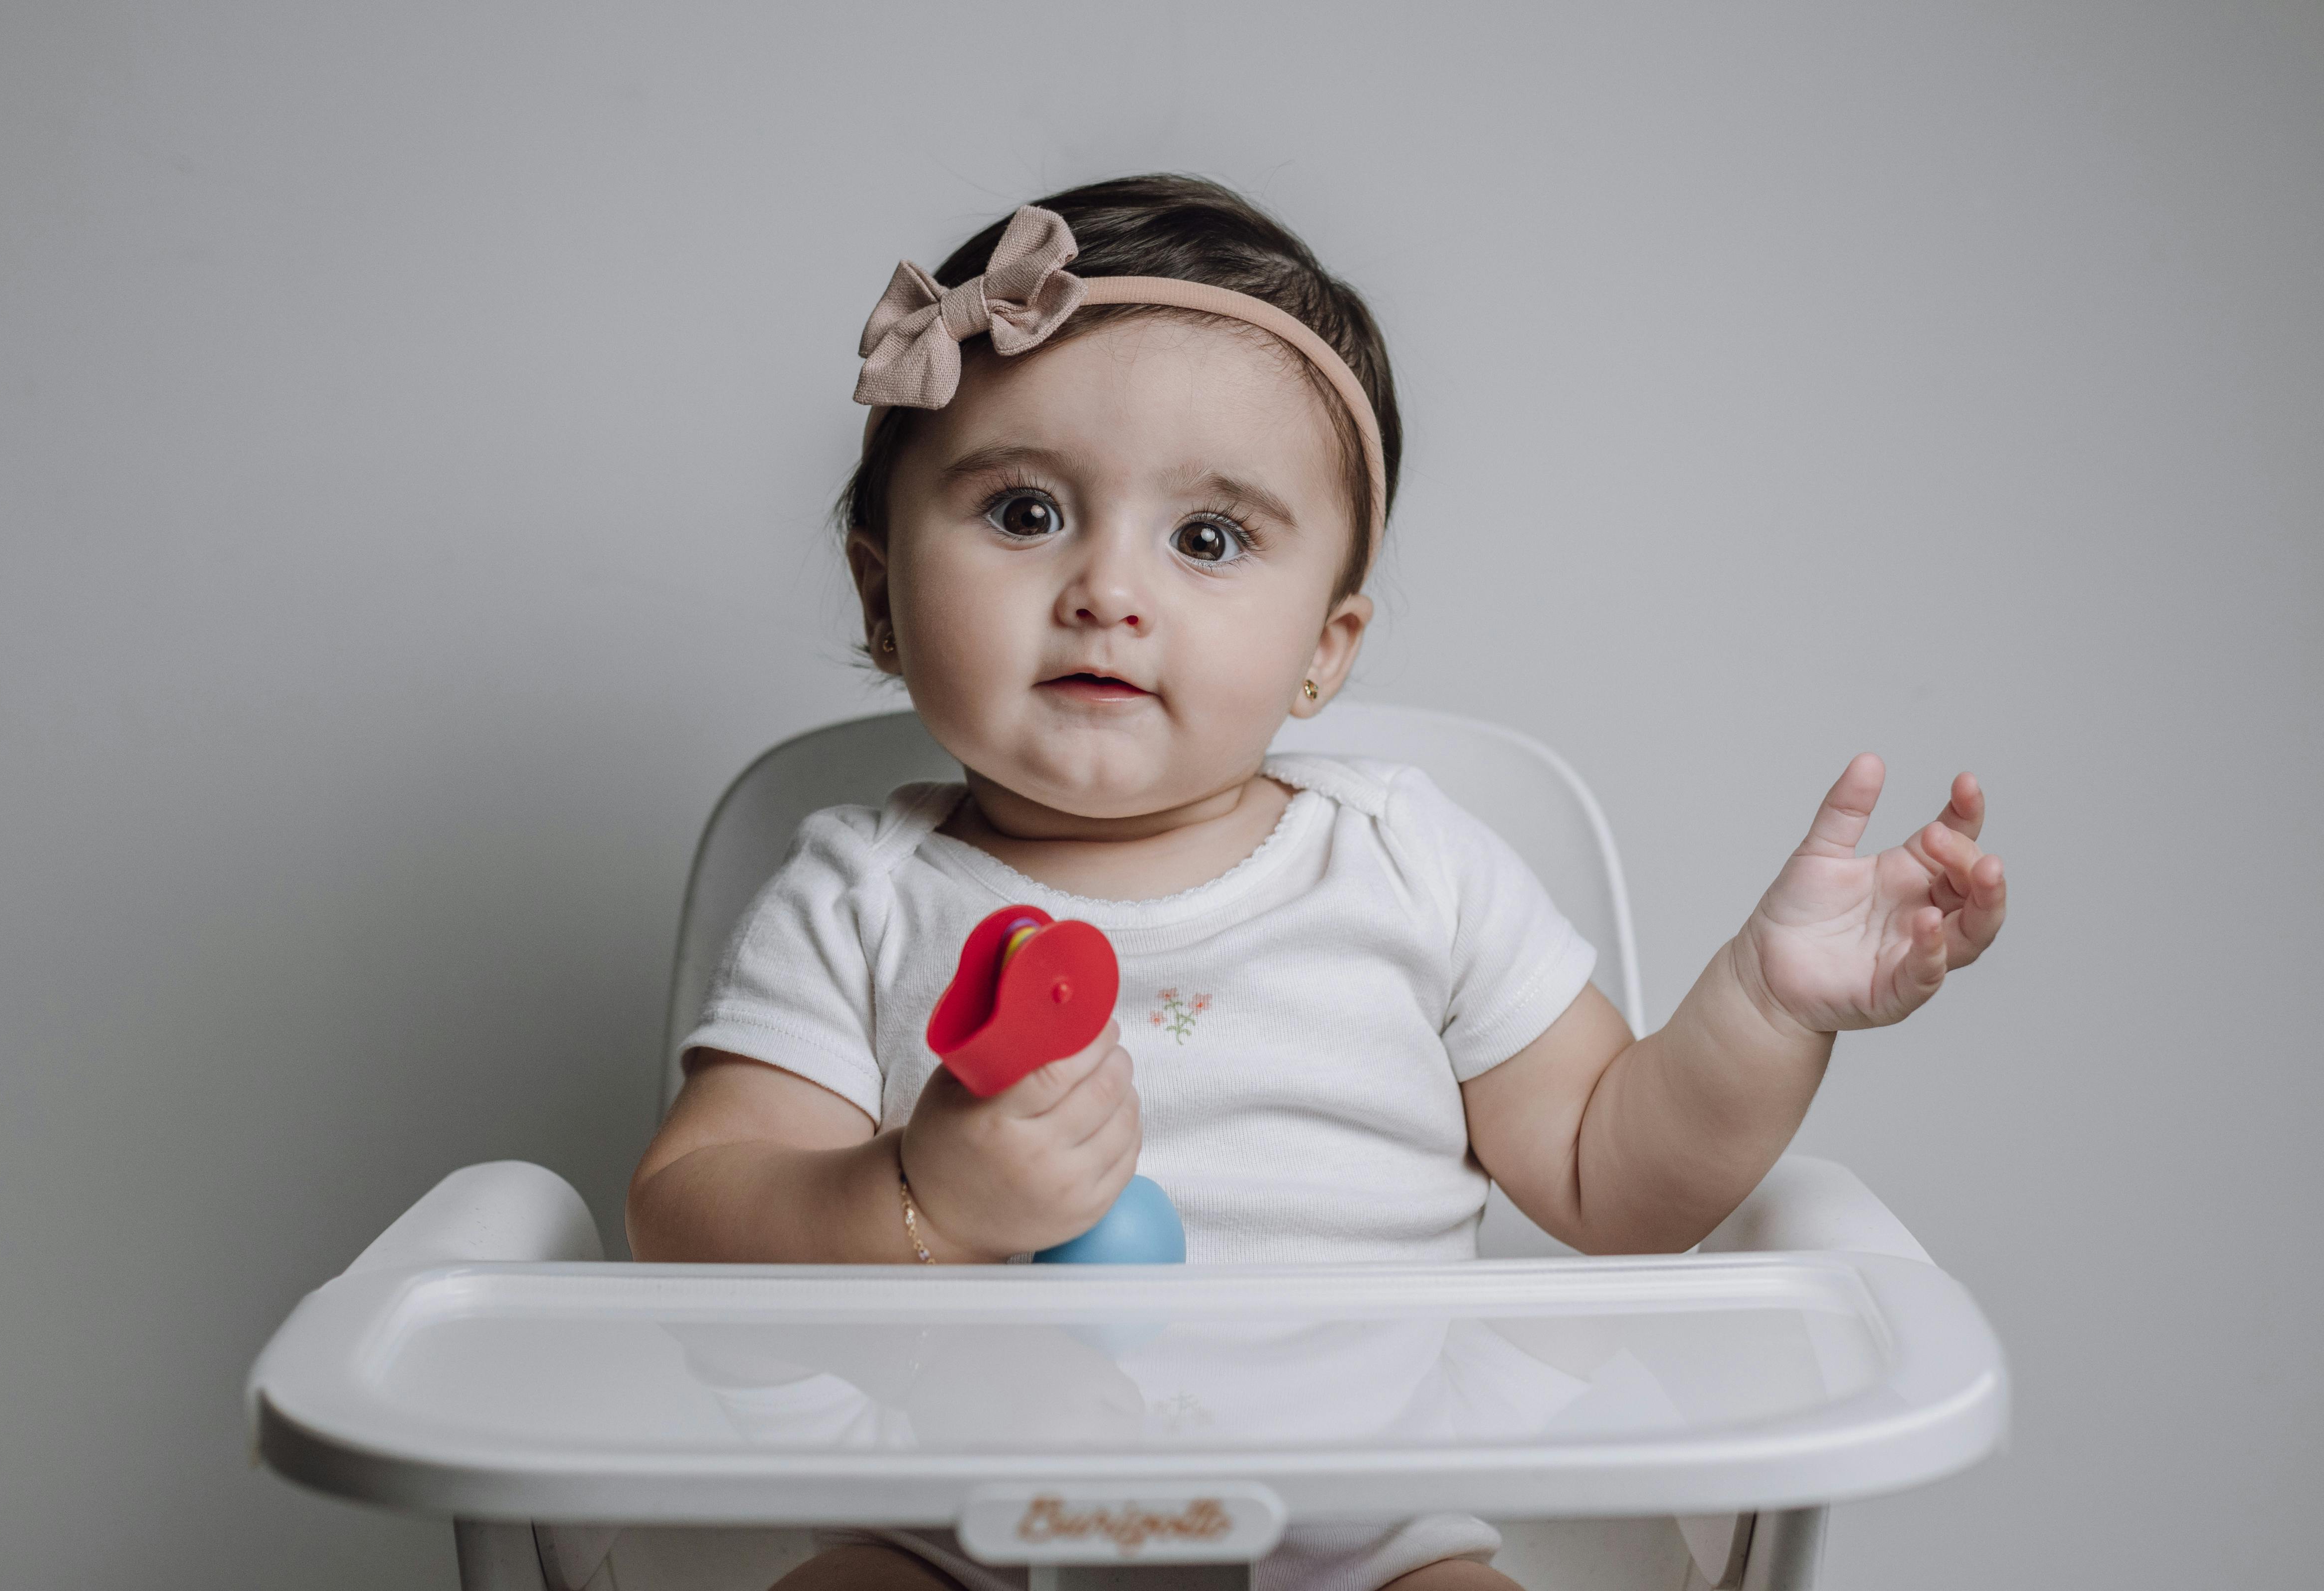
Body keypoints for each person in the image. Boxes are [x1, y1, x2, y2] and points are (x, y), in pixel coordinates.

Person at [626, 175, 2008, 1591]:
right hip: (946, 1531)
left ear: (1326, 648)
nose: (1110, 587)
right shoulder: (860, 893)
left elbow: (1615, 1177)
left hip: (1367, 1541)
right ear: (879, 596)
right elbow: (689, 1220)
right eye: (1027, 510)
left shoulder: (1412, 867)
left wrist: (1773, 1009)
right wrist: (919, 1199)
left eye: (1208, 539)